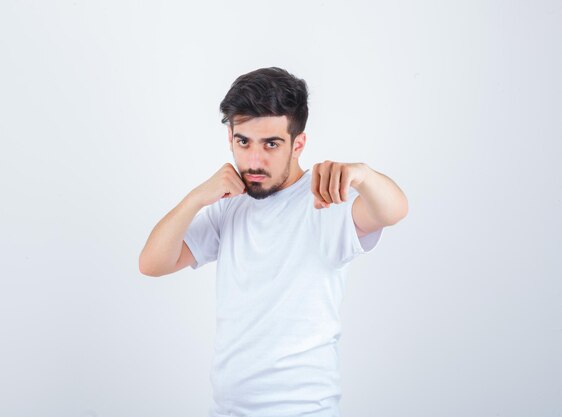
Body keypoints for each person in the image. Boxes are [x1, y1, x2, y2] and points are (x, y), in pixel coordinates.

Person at [139, 67, 408, 417]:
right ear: (230, 139)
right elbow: (152, 263)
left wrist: (364, 175)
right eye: (243, 142)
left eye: (271, 144)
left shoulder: (324, 200)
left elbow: (393, 211)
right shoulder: (229, 203)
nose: (254, 160)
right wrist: (195, 199)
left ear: (298, 144)